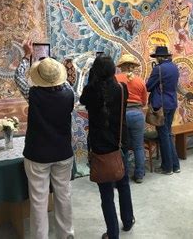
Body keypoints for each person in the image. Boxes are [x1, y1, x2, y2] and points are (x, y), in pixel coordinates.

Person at [14, 39, 75, 239]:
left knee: (39, 200)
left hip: (37, 154)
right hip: (63, 153)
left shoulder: (33, 95)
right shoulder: (69, 94)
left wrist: (26, 55)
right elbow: (61, 80)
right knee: (63, 195)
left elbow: (18, 78)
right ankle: (66, 234)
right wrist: (54, 69)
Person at [80, 56, 134, 239]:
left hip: (100, 146)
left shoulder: (90, 91)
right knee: (124, 183)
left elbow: (83, 99)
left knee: (106, 194)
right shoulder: (122, 88)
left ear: (95, 72)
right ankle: (128, 221)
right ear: (113, 71)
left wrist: (91, 78)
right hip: (119, 144)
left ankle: (112, 233)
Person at [146, 46, 180, 175]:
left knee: (163, 135)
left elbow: (148, 87)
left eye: (156, 57)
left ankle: (167, 167)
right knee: (168, 133)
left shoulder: (158, 69)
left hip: (161, 106)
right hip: (172, 103)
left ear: (160, 57)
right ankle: (175, 165)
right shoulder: (174, 67)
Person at [115, 54, 147, 183]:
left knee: (123, 146)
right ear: (133, 66)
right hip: (137, 114)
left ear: (121, 66)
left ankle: (124, 176)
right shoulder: (140, 81)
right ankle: (139, 175)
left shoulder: (115, 79)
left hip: (121, 115)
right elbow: (144, 101)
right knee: (139, 146)